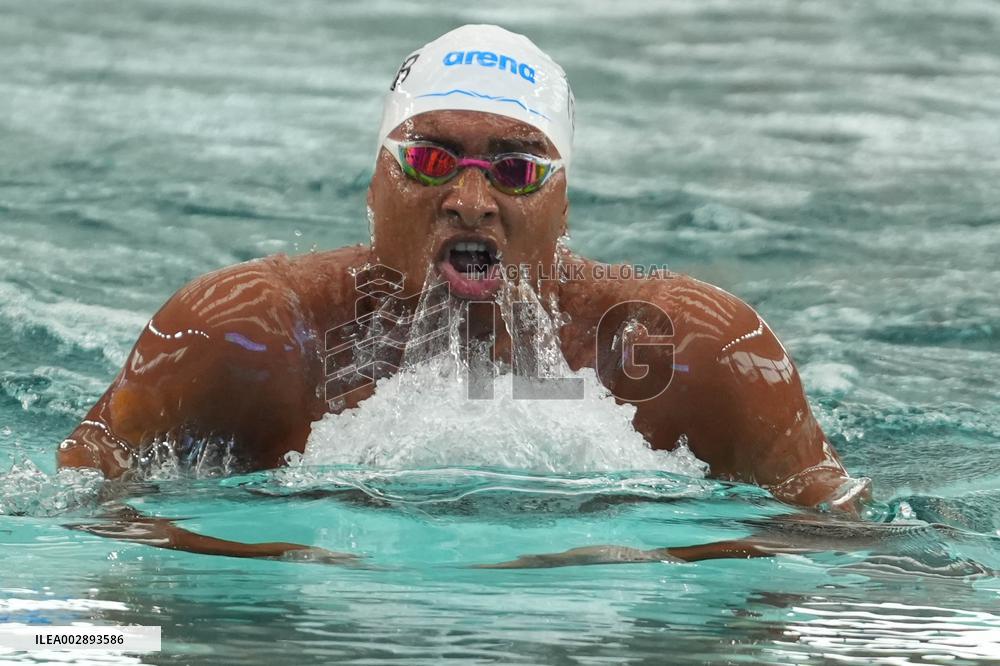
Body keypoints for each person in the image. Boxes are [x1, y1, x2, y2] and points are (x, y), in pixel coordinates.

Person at [57, 25, 871, 562]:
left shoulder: (695, 351)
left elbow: (840, 553)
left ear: (564, 202)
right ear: (373, 185)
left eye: (517, 168)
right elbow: (75, 529)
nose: (472, 201)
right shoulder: (241, 336)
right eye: (431, 160)